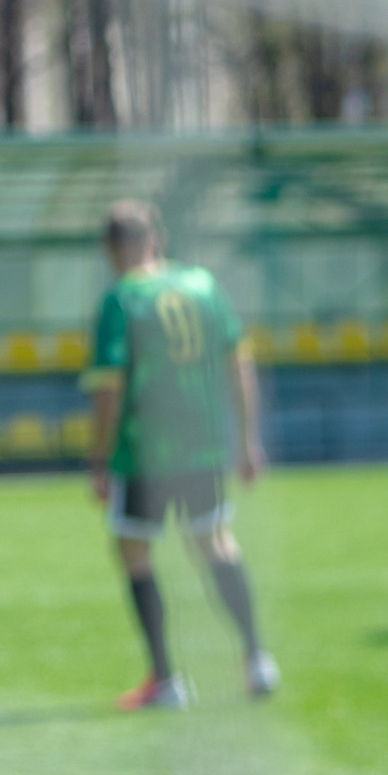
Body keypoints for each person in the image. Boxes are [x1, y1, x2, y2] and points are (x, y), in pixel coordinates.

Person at [81, 199, 274, 711]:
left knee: (133, 549)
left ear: (110, 250)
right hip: (204, 442)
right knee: (213, 543)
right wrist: (248, 439)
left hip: (145, 448)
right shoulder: (203, 286)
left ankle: (166, 681)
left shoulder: (122, 300)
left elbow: (110, 387)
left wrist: (98, 459)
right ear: (156, 240)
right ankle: (256, 659)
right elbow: (240, 363)